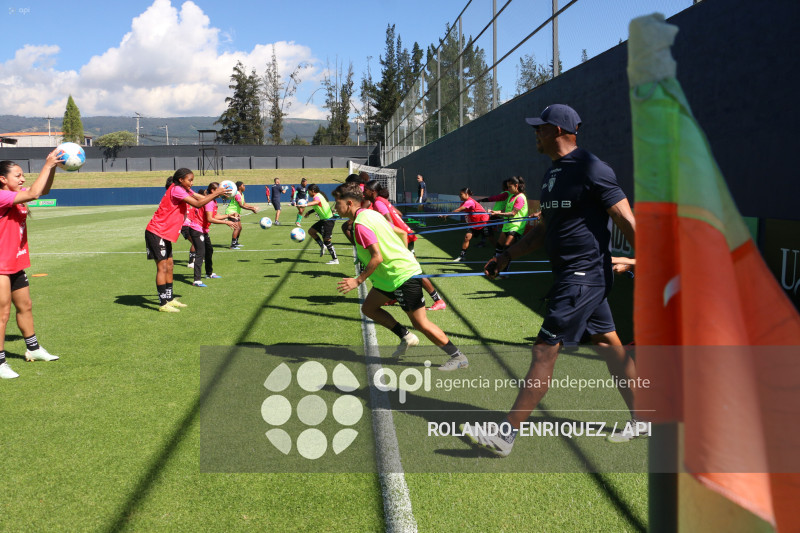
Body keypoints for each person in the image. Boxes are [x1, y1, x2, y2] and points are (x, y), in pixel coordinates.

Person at [465, 104, 639, 456]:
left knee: (543, 351)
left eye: (540, 127)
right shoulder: (551, 174)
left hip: (583, 277)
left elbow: (625, 218)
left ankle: (506, 433)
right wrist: (506, 255)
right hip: (577, 277)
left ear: (559, 130)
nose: (535, 133)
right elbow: (543, 231)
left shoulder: (592, 168)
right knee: (611, 348)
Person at [333, 183, 466, 370]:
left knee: (421, 323)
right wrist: (402, 254)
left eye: (337, 203)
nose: (335, 207)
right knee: (369, 308)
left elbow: (377, 257)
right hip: (389, 278)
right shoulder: (370, 214)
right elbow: (402, 232)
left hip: (401, 276)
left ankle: (458, 357)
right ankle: (406, 336)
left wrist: (358, 280)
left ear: (348, 203)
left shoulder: (361, 225)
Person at [0, 153, 62, 379]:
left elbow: (43, 191)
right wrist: (47, 164)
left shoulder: (16, 195)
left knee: (25, 306)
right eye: (17, 176)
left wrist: (53, 168)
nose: (23, 179)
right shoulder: (1, 196)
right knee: (2, 313)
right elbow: (35, 193)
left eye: (23, 175)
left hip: (14, 262)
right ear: (2, 179)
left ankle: (33, 348)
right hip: (0, 265)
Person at [145, 168, 227, 313]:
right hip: (156, 231)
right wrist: (216, 193)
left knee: (170, 266)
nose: (192, 183)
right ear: (181, 179)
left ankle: (169, 299)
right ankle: (163, 303)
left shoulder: (183, 189)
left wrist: (217, 194)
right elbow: (198, 204)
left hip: (165, 233)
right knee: (162, 267)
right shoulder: (176, 189)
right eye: (190, 180)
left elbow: (200, 198)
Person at [364, 181, 447, 311]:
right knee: (398, 268)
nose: (364, 192)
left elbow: (389, 221)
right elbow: (399, 214)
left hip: (403, 238)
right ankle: (394, 295)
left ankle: (438, 300)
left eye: (366, 190)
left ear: (372, 191)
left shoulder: (378, 203)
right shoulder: (382, 201)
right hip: (404, 236)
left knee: (413, 271)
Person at [488, 176, 528, 269]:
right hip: (507, 226)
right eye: (507, 186)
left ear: (516, 186)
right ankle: (495, 265)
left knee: (507, 248)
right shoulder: (511, 196)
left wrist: (498, 213)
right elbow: (506, 210)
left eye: (510, 186)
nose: (508, 189)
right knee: (499, 246)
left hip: (516, 227)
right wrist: (495, 212)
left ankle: (504, 271)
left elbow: (513, 213)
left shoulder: (520, 198)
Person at [449, 187, 490, 262]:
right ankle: (462, 256)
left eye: (461, 194)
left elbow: (459, 210)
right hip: (474, 224)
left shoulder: (469, 201)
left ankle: (498, 254)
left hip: (483, 222)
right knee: (467, 237)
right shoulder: (464, 202)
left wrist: (447, 215)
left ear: (466, 194)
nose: (459, 196)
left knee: (491, 239)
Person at [304, 184, 339, 265]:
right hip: (324, 220)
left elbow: (316, 202)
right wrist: (309, 212)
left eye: (309, 191)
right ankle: (322, 245)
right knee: (311, 231)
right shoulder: (319, 195)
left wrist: (305, 204)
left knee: (327, 240)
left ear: (313, 191)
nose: (308, 193)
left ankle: (335, 259)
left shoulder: (317, 197)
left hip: (328, 221)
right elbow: (318, 205)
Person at [225, 181, 258, 249]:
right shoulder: (237, 194)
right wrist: (251, 209)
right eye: (243, 185)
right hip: (231, 212)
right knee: (237, 228)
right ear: (239, 187)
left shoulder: (241, 194)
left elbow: (244, 204)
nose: (244, 187)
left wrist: (253, 207)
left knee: (240, 228)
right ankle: (232, 245)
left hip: (236, 213)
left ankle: (236, 242)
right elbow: (241, 205)